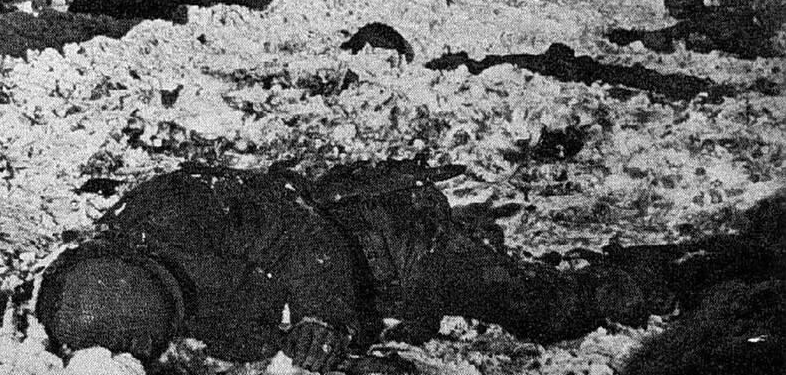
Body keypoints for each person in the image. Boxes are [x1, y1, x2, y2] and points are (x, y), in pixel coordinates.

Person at [34, 161, 677, 372]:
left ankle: (670, 273)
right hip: (354, 272)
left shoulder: (181, 209)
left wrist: (324, 317)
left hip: (392, 243)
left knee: (547, 313)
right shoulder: (111, 264)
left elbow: (306, 237)